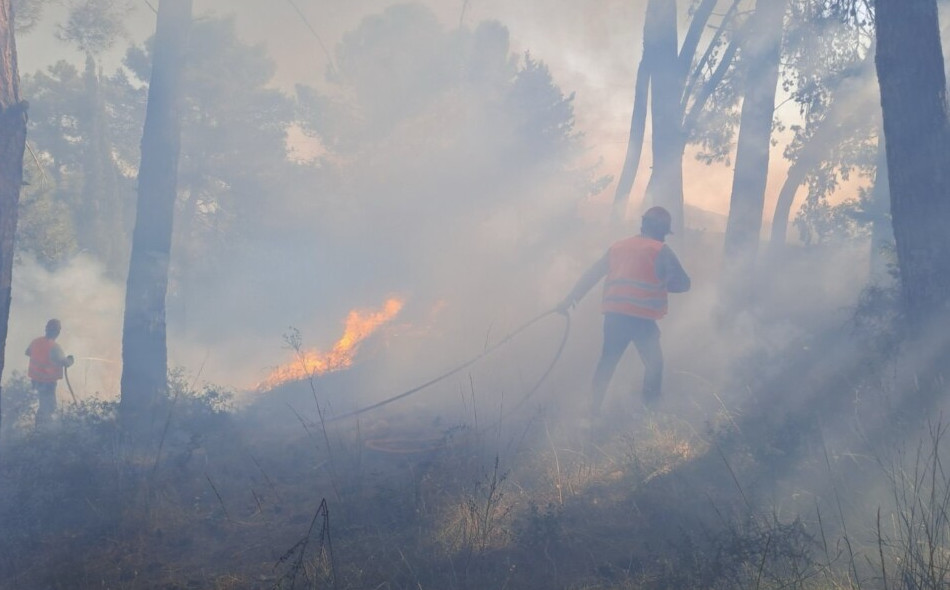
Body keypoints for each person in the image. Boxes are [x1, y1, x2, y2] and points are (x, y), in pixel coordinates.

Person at [558, 206, 690, 416]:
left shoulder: (619, 247)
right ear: (662, 231)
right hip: (642, 321)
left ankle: (590, 414)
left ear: (643, 224)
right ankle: (650, 415)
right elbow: (684, 284)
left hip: (615, 317)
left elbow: (593, 274)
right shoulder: (660, 250)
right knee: (654, 365)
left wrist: (570, 299)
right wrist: (663, 281)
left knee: (607, 363)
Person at [26, 319, 74, 426]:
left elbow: (28, 352)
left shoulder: (36, 341)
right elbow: (65, 363)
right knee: (49, 408)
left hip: (35, 380)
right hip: (47, 383)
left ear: (46, 329)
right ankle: (43, 432)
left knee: (42, 406)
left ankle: (39, 428)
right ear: (57, 332)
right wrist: (71, 359)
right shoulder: (54, 347)